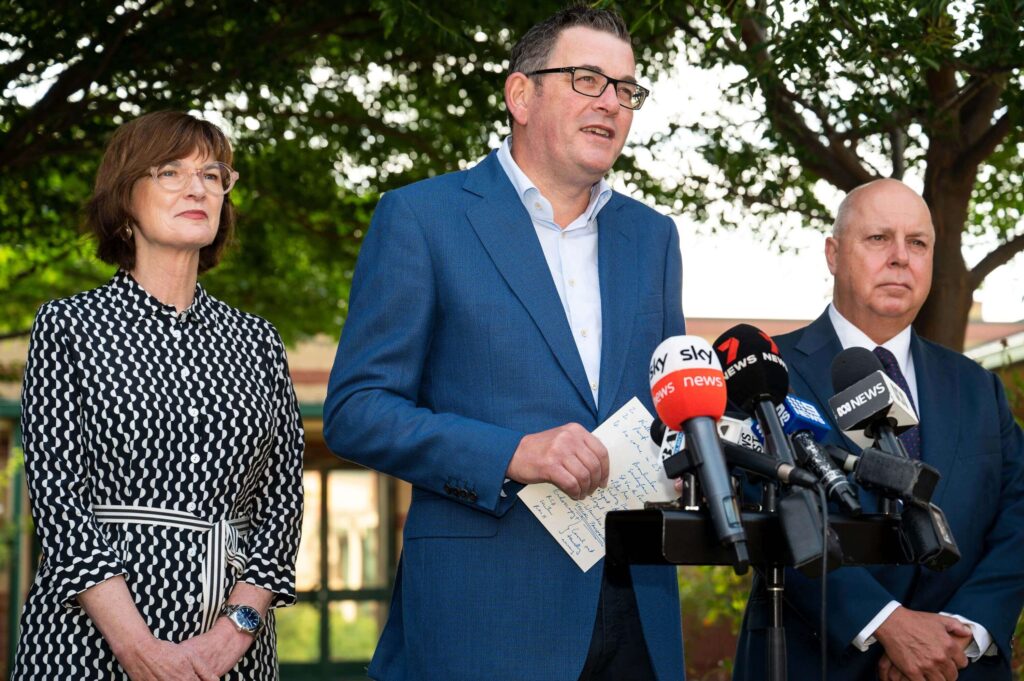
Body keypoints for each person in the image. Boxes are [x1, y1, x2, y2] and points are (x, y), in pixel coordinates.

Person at [323, 7, 686, 680]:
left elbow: (670, 400)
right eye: (587, 80)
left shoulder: (654, 237)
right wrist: (512, 452)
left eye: (626, 89)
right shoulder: (422, 218)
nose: (612, 102)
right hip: (484, 617)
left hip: (638, 611)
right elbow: (356, 410)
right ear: (521, 95)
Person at [14, 111, 304, 680]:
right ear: (125, 200)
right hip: (86, 644)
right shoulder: (68, 327)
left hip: (231, 654)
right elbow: (58, 500)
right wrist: (138, 648)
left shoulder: (258, 341)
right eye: (170, 172)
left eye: (214, 174)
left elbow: (281, 509)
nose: (198, 187)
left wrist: (231, 635)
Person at [732, 179, 1024, 681]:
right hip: (813, 662)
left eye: (917, 243)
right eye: (877, 239)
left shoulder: (977, 386)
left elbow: (1018, 514)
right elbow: (762, 507)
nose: (900, 258)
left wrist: (962, 631)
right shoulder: (763, 373)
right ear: (833, 253)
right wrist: (885, 622)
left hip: (960, 666)